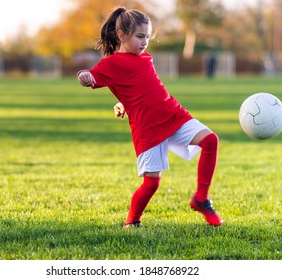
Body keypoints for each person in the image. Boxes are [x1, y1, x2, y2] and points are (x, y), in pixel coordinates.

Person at [77, 7, 223, 228]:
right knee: (152, 183)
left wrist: (123, 102)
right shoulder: (111, 63)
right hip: (147, 128)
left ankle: (201, 199)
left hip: (173, 114)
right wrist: (84, 75)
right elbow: (90, 75)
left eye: (147, 36)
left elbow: (141, 88)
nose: (145, 42)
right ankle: (132, 222)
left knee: (210, 140)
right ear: (121, 36)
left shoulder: (145, 58)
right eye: (140, 36)